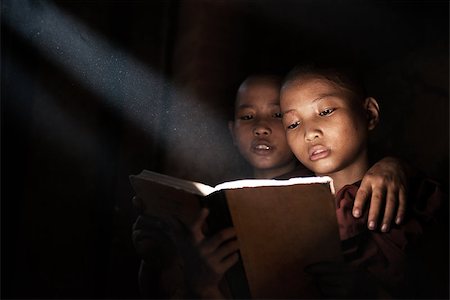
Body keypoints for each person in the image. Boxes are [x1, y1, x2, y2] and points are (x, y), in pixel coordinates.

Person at [132, 74, 411, 298]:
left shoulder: (333, 195)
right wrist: (160, 260)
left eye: (278, 116)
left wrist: (393, 164)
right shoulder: (219, 206)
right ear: (231, 130)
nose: (261, 127)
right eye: (247, 116)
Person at [277, 63, 447, 298]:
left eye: (325, 111)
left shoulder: (415, 196)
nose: (309, 133)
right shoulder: (280, 201)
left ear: (369, 113)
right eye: (293, 124)